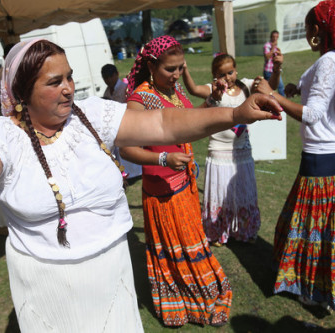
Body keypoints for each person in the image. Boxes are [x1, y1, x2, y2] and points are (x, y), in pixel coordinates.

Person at [0, 38, 281, 332]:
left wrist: (233, 113)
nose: (68, 87)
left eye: (69, 77)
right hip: (45, 285)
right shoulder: (4, 136)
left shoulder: (92, 115)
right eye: (54, 81)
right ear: (23, 92)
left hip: (111, 272)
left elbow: (163, 124)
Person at [255, 0, 335, 312]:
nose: (305, 34)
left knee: (310, 233)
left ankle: (313, 290)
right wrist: (288, 83)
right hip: (333, 160)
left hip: (322, 162)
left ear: (318, 30)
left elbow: (314, 115)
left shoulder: (330, 61)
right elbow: (322, 99)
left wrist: (273, 94)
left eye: (307, 29)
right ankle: (319, 287)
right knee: (319, 232)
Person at [121, 36, 235, 327]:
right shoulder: (139, 99)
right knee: (177, 248)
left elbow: (189, 121)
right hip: (162, 191)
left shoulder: (173, 89)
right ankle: (180, 301)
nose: (176, 75)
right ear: (150, 65)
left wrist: (211, 101)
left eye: (180, 68)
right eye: (170, 69)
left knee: (191, 243)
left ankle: (201, 295)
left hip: (184, 184)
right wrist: (162, 159)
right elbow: (126, 147)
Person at [181, 53, 282, 246]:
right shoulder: (214, 90)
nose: (227, 77)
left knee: (244, 192)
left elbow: (271, 87)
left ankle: (244, 229)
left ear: (236, 70)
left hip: (242, 152)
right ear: (214, 76)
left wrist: (276, 69)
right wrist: (185, 69)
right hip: (219, 151)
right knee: (220, 194)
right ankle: (219, 231)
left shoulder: (246, 86)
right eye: (222, 74)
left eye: (230, 72)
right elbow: (193, 89)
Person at [101, 63, 142, 181]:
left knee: (130, 148)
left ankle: (136, 173)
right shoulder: (108, 91)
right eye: (105, 78)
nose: (108, 80)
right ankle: (126, 173)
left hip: (128, 123)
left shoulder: (125, 88)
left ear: (116, 74)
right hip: (116, 126)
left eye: (110, 76)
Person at [263, 30, 285, 96]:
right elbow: (267, 57)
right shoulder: (267, 45)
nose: (275, 38)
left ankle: (283, 102)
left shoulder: (277, 47)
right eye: (274, 37)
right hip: (268, 71)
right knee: (269, 89)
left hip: (276, 69)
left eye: (277, 37)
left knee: (281, 87)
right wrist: (272, 49)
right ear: (271, 37)